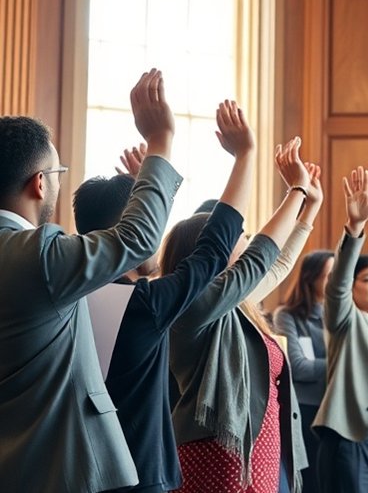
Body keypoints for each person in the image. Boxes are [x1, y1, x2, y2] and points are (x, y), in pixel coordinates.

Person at [0, 68, 181, 491]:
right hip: (61, 467)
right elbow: (136, 239)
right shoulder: (37, 255)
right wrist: (161, 141)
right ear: (39, 183)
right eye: (58, 173)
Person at [71, 100, 254, 492]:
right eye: (150, 221)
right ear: (132, 230)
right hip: (138, 477)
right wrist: (245, 156)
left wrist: (151, 190)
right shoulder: (145, 305)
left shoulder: (61, 297)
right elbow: (213, 247)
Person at [168, 137, 322, 493]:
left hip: (258, 447)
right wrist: (295, 191)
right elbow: (260, 259)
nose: (248, 240)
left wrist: (310, 208)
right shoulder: (192, 306)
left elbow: (278, 265)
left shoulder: (235, 305)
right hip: (216, 452)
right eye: (241, 236)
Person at [310, 166, 368, 493]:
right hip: (352, 438)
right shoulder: (346, 321)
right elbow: (337, 285)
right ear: (353, 286)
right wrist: (355, 226)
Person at [273, 250, 334, 493]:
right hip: (307, 410)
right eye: (330, 275)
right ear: (311, 278)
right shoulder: (287, 315)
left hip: (336, 410)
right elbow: (297, 366)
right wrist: (341, 363)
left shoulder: (341, 316)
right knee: (312, 483)